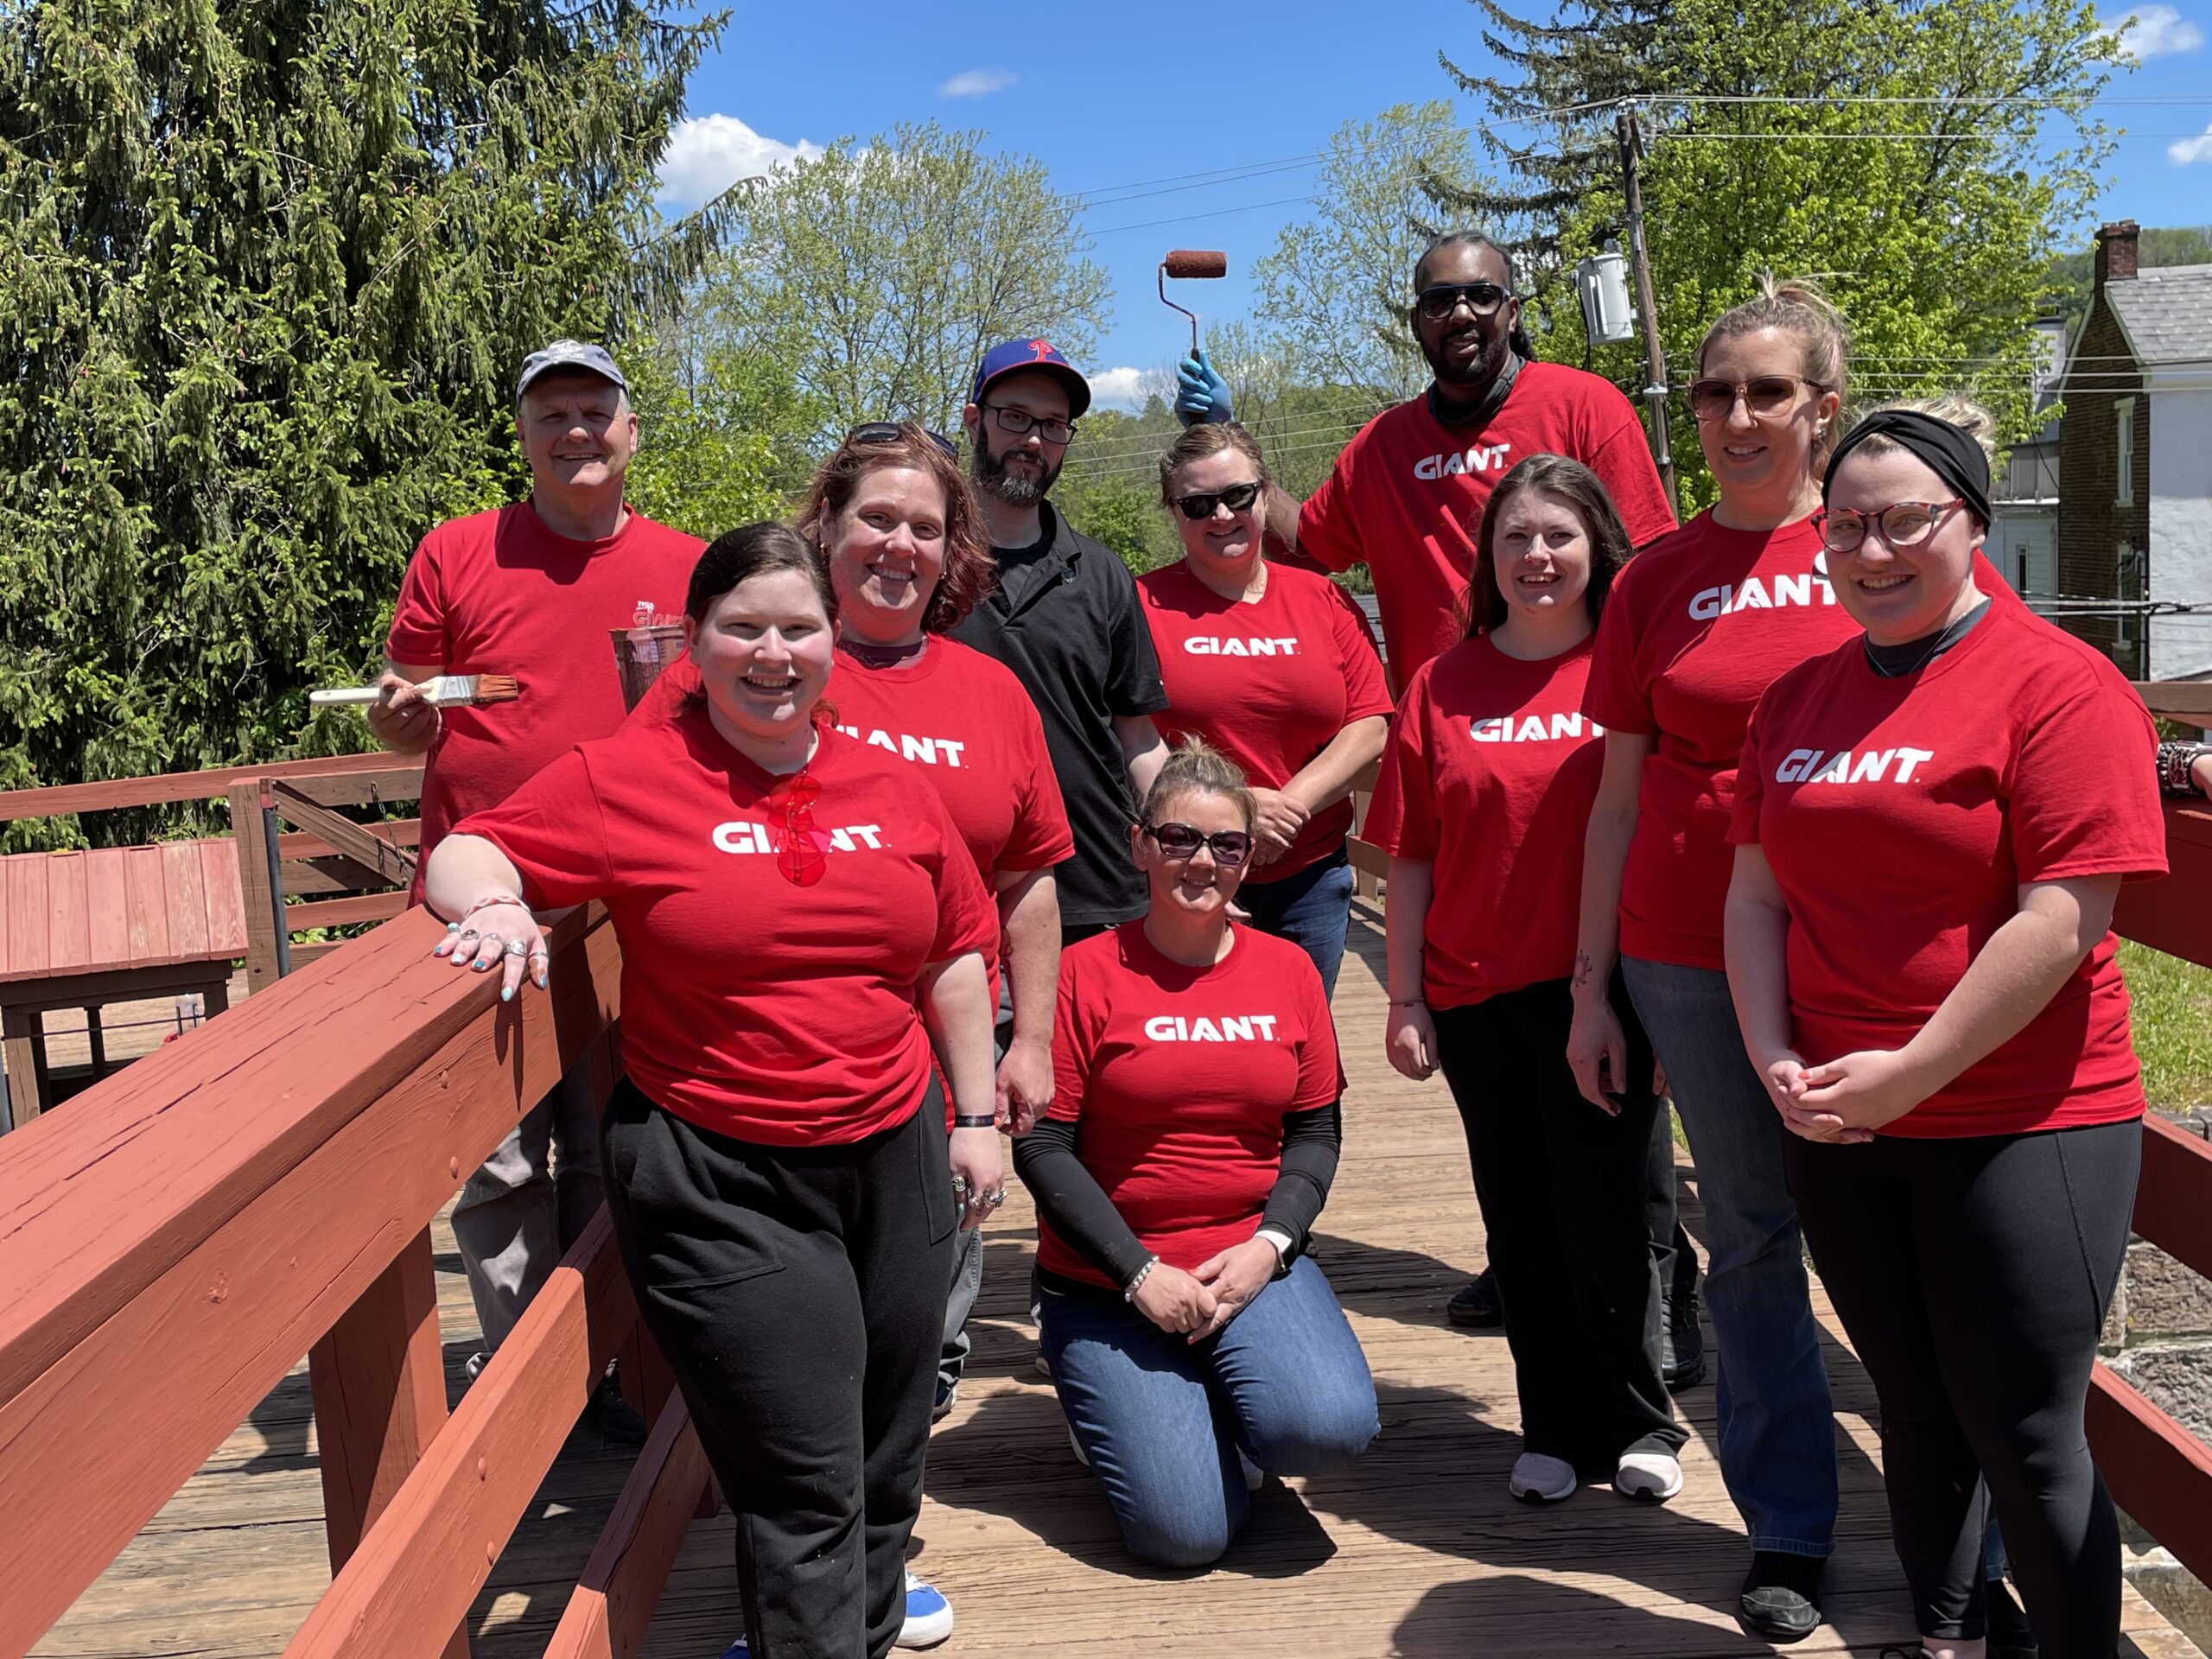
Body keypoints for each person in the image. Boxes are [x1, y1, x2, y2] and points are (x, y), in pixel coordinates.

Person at [423, 524, 1005, 1659]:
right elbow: (469, 851)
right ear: (695, 642)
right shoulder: (627, 778)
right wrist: (493, 906)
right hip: (717, 1165)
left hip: (893, 1150)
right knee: (806, 1482)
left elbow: (953, 954)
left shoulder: (890, 783)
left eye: (799, 628)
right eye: (745, 629)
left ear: (836, 641)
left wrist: (976, 1119)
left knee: (887, 1461)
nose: (773, 653)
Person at [1184, 232, 1688, 1340]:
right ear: (1413, 319)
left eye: (1479, 297)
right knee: (1491, 1026)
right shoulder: (1382, 445)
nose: (1458, 316)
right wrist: (1237, 456)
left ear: (1511, 307)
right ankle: (1525, 1263)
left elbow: (1646, 561)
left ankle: (1657, 1290)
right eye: (1436, 302)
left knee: (1608, 1020)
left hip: (1583, 748)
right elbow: (1309, 541)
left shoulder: (1582, 405)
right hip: (1457, 763)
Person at [1726, 402, 2167, 1659]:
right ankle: (1951, 1638)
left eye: (1905, 519)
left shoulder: (2057, 683)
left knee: (2025, 1430)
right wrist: (1771, 1055)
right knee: (1913, 1408)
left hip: (2024, 1121)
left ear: (1970, 521)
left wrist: (1908, 1076)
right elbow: (1754, 893)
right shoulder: (1798, 696)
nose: (1872, 550)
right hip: (1840, 1115)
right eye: (1847, 524)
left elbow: (2065, 915)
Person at [1569, 279, 1857, 1637]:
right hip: (1683, 949)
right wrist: (1590, 986)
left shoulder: (1885, 548)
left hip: (1870, 958)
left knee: (1901, 1253)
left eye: (1768, 392)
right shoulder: (1657, 580)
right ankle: (1790, 1527)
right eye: (1716, 392)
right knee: (1748, 1238)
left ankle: (1957, 1529)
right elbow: (1614, 794)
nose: (1738, 417)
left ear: (1823, 408)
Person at [371, 339, 700, 1432]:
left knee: (623, 1149)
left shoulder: (692, 566)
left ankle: (617, 1362)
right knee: (503, 1162)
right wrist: (394, 716)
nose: (575, 431)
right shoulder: (458, 552)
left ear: (630, 430)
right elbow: (401, 689)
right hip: (486, 903)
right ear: (522, 437)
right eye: (551, 413)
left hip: (638, 913)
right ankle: (528, 1394)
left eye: (594, 411)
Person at [1370, 454, 1687, 1507]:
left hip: (1611, 985)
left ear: (1597, 546)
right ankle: (1552, 1424)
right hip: (1475, 995)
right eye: (1515, 538)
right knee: (1521, 1221)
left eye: (1556, 535)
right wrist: (1404, 997)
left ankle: (1642, 1421)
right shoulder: (1442, 682)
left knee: (1617, 1212)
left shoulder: (1632, 671)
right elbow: (1409, 853)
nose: (1536, 556)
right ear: (1488, 558)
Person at [1013, 739, 1378, 1568]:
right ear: (1141, 844)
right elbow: (1043, 1141)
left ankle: (1222, 1395)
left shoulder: (1286, 971)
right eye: (1178, 838)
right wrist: (1137, 1272)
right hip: (1109, 1282)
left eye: (1226, 844)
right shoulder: (1079, 972)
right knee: (1187, 1536)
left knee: (1329, 1431)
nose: (1201, 861)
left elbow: (1315, 1133)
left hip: (1243, 1263)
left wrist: (1269, 1248)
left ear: (1250, 859)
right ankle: (1117, 1400)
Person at [802, 423, 1075, 1422]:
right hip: (797, 1051)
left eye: (924, 527)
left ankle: (892, 1489)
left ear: (951, 550)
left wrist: (1031, 1041)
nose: (897, 546)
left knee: (932, 1295)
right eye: (875, 518)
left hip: (953, 1056)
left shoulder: (991, 692)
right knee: (810, 1306)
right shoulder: (768, 660)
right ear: (827, 527)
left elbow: (1031, 877)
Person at [1136, 423, 1390, 998]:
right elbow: (1128, 735)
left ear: (1265, 494)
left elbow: (1371, 722)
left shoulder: (1321, 599)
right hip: (1189, 873)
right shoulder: (1139, 606)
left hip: (1310, 875)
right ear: (1173, 511)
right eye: (1198, 503)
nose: (1221, 515)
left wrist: (1291, 804)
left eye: (1237, 496)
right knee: (1201, 1047)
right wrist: (1237, 810)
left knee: (1298, 1047)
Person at [951, 340, 1170, 947]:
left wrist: (1178, 842)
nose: (1033, 441)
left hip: (1096, 890)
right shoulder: (923, 564)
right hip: (956, 894)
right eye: (1015, 417)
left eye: (1052, 426)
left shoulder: (1102, 573)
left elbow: (1138, 738)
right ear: (974, 422)